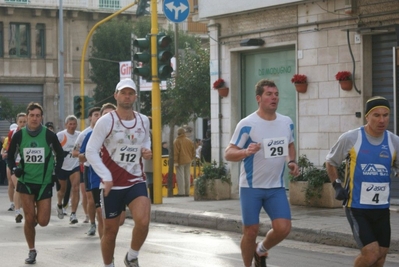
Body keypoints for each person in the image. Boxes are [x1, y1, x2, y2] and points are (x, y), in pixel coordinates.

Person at [224, 79, 299, 267]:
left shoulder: (286, 122)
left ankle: (261, 250)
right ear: (259, 98)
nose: (274, 98)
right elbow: (228, 153)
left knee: (283, 228)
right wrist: (245, 152)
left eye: (276, 94)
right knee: (251, 231)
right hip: (251, 187)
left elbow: (289, 144)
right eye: (269, 94)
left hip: (275, 187)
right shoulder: (247, 124)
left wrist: (291, 161)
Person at [325, 96, 399, 267]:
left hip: (381, 208)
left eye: (385, 115)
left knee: (380, 256)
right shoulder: (351, 138)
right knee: (371, 253)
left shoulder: (394, 141)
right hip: (357, 207)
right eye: (376, 115)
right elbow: (331, 161)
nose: (382, 120)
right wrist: (337, 185)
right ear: (367, 116)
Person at [86, 78, 152, 267]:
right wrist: (105, 176)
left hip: (135, 180)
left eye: (130, 93)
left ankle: (132, 256)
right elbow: (91, 151)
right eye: (123, 93)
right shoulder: (106, 121)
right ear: (116, 95)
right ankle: (108, 264)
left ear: (135, 97)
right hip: (112, 185)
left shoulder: (143, 120)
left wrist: (146, 150)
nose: (127, 96)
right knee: (110, 231)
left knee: (143, 221)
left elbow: (145, 141)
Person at [7, 102, 64, 264]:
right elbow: (10, 156)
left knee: (44, 221)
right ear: (27, 117)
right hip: (25, 181)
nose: (34, 118)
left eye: (38, 115)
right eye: (31, 115)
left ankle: (36, 217)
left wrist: (56, 173)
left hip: (44, 182)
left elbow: (60, 155)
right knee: (29, 219)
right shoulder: (19, 135)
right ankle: (31, 250)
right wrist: (14, 169)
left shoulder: (49, 135)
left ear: (41, 117)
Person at [72, 107, 101, 225]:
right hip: (89, 168)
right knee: (90, 198)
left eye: (100, 115)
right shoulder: (84, 134)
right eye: (96, 115)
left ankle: (103, 221)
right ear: (90, 117)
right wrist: (87, 155)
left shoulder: (110, 132)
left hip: (106, 169)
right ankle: (92, 222)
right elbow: (74, 152)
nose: (98, 117)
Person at [56, 115, 81, 224]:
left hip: (75, 165)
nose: (72, 126)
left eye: (74, 124)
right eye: (70, 124)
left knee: (75, 188)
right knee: (62, 190)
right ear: (66, 125)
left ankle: (73, 214)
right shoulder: (60, 135)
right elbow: (54, 149)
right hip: (62, 166)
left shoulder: (80, 135)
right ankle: (59, 204)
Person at [8, 113, 27, 222]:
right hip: (16, 163)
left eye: (24, 122)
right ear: (17, 123)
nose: (23, 124)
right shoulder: (14, 134)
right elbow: (10, 150)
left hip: (28, 165)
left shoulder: (31, 133)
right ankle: (17, 212)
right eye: (20, 122)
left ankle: (28, 209)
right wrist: (12, 166)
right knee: (18, 186)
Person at [173, 128, 195, 196]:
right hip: (188, 160)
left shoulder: (177, 141)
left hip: (180, 161)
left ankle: (181, 192)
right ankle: (187, 192)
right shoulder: (189, 141)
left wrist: (175, 162)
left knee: (180, 177)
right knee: (187, 176)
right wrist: (191, 158)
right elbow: (193, 151)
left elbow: (175, 152)